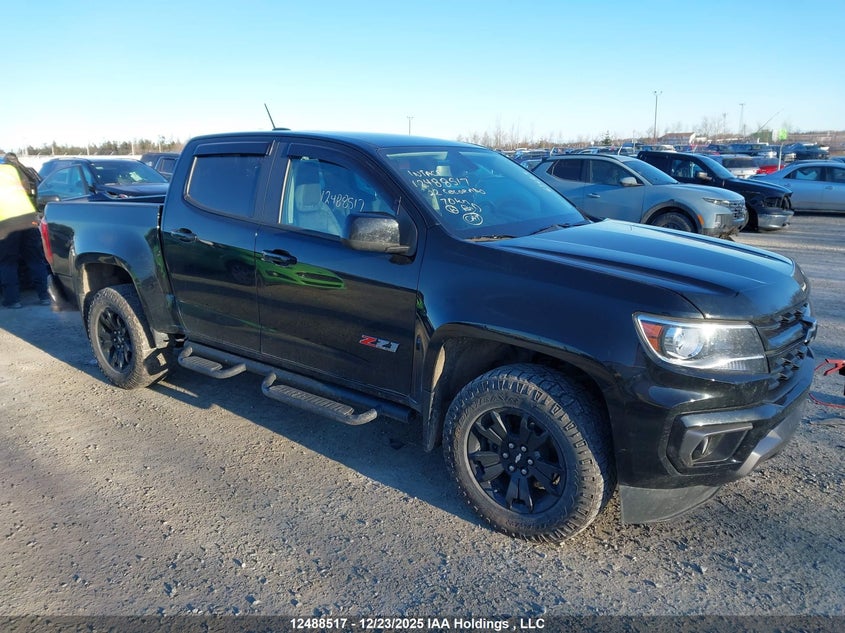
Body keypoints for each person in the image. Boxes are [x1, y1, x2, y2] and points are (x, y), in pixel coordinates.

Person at [0, 159, 50, 308]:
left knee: (8, 261)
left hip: (7, 220)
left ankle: (12, 300)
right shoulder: (10, 169)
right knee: (35, 258)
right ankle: (44, 296)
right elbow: (27, 187)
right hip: (28, 216)